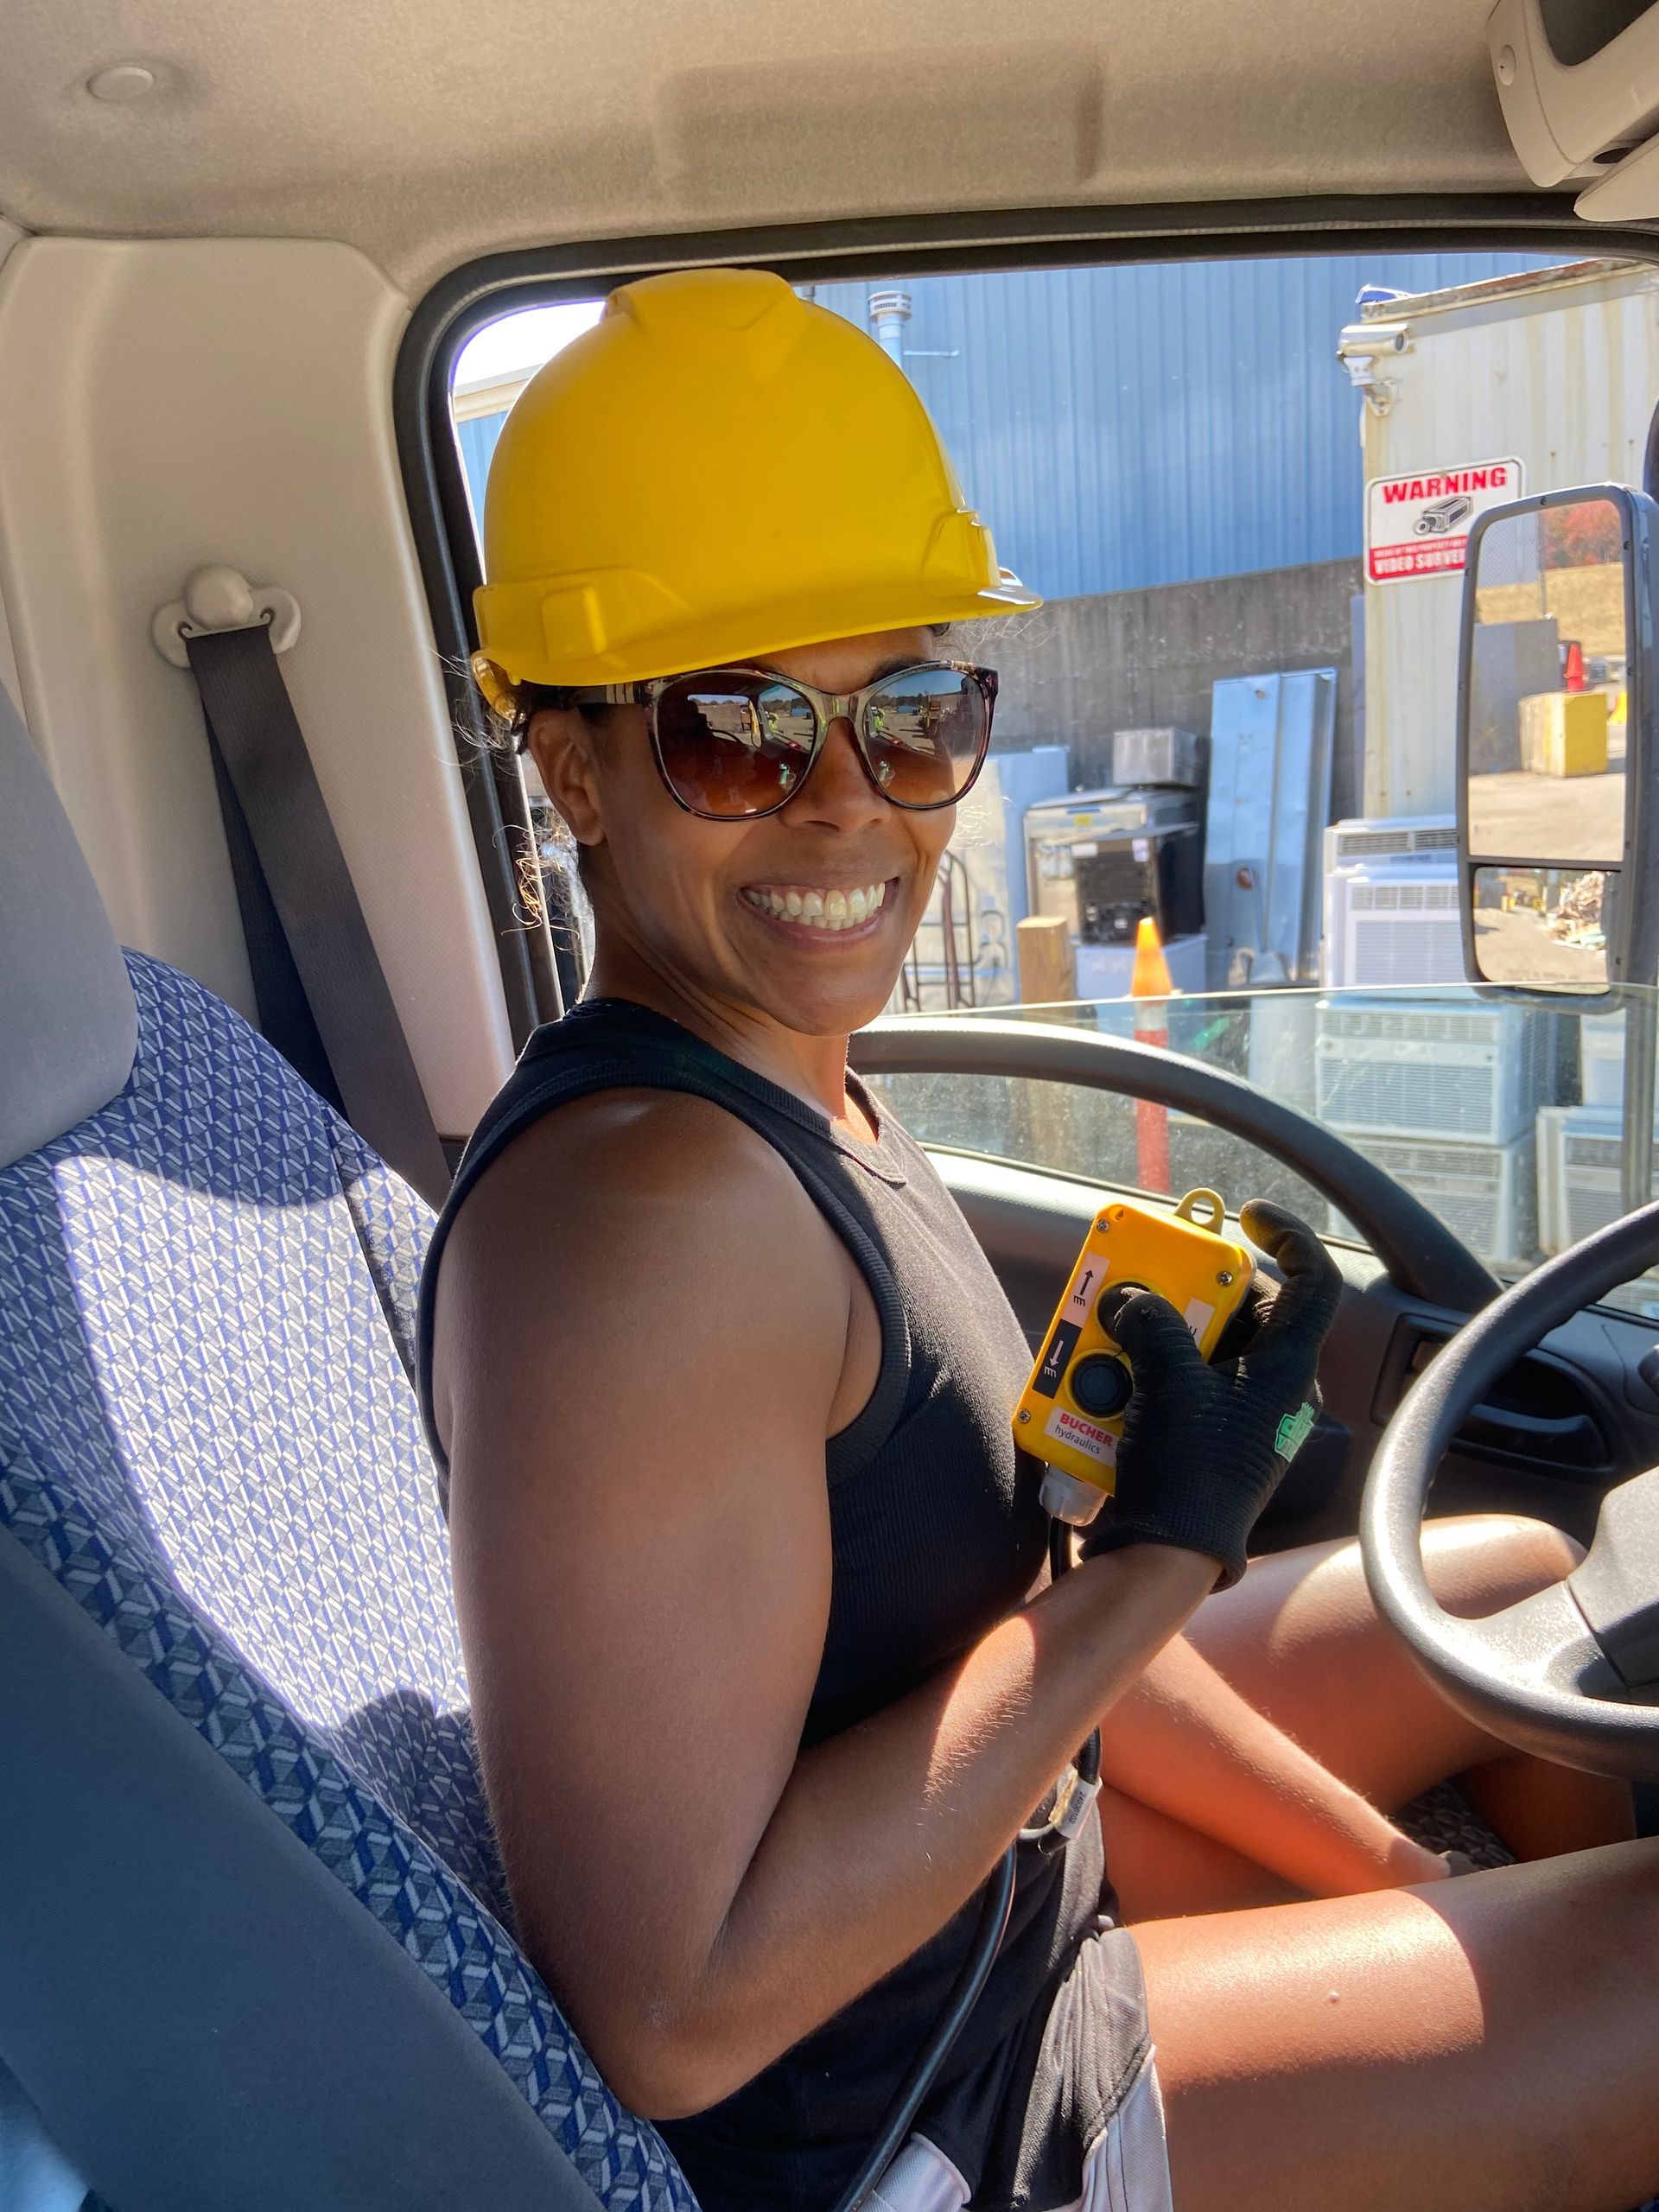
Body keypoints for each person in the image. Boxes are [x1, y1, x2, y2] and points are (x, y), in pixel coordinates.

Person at [419, 267, 1659, 2212]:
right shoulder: (648, 1222)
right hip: (945, 2110)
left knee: (1510, 1569)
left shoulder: (794, 1088)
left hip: (989, 1885)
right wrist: (1150, 1564)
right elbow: (676, 2010)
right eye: (737, 735)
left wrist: (1409, 1885)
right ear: (569, 765)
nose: (851, 807)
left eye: (913, 717)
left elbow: (1004, 1635)